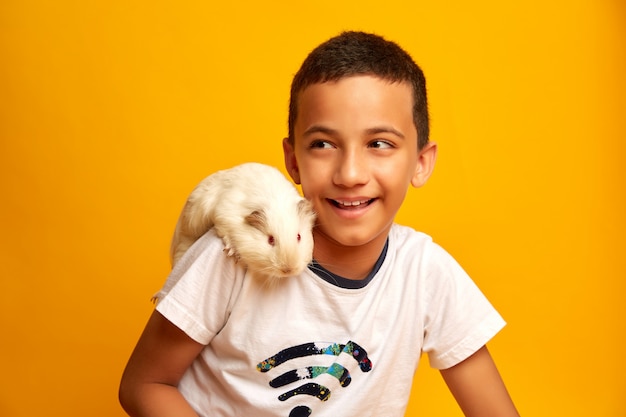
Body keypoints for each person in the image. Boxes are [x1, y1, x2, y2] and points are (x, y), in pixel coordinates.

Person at [119, 31, 520, 417]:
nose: (349, 174)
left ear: (420, 161)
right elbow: (144, 385)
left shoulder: (426, 272)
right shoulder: (235, 255)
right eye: (323, 144)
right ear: (293, 160)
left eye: (379, 143)